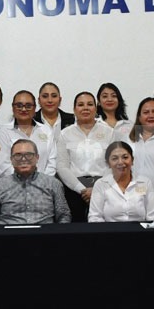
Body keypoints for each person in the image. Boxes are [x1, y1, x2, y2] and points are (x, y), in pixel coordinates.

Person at [57, 91, 115, 222]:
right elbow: (62, 166)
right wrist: (82, 189)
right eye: (81, 105)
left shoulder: (109, 132)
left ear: (96, 108)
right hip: (74, 190)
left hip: (104, 188)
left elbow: (113, 164)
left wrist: (98, 188)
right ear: (74, 109)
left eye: (90, 104)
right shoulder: (65, 134)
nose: (85, 108)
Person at [0, 139, 70, 225]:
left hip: (44, 232)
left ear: (37, 157)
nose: (23, 159)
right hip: (10, 232)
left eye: (29, 155)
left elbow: (64, 216)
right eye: (18, 155)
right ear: (11, 159)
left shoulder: (53, 184)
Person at [88, 141, 154, 222]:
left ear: (132, 160)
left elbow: (152, 218)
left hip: (140, 229)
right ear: (108, 163)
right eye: (115, 158)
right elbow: (95, 217)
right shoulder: (101, 184)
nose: (120, 162)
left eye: (125, 157)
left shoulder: (145, 183)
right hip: (109, 229)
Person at [0, 91, 57, 177]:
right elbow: (4, 165)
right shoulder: (4, 132)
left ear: (35, 108)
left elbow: (52, 162)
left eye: (28, 106)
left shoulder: (46, 130)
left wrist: (41, 181)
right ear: (13, 108)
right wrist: (20, 181)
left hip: (43, 183)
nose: (24, 109)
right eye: (19, 105)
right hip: (13, 183)